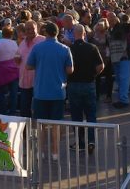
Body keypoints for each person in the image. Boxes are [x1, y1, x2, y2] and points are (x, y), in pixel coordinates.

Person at [26, 22, 74, 162]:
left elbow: (28, 66)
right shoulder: (65, 49)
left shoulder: (37, 47)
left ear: (46, 32)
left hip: (41, 91)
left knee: (40, 124)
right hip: (58, 91)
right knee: (55, 124)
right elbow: (70, 70)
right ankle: (55, 152)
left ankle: (41, 151)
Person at [68, 23, 104, 153]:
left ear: (73, 34)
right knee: (91, 114)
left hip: (73, 84)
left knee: (76, 116)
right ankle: (91, 141)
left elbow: (66, 68)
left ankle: (80, 142)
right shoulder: (92, 47)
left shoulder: (69, 49)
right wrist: (93, 74)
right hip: (89, 84)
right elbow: (101, 66)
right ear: (84, 33)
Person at [16, 21, 46, 116]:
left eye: (32, 28)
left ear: (37, 28)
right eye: (28, 29)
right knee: (24, 109)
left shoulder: (43, 40)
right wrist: (17, 60)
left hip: (38, 80)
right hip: (25, 81)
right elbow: (18, 59)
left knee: (39, 109)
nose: (30, 31)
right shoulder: (22, 43)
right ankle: (26, 130)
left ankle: (39, 130)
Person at [109, 15, 130, 109]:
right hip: (116, 57)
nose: (110, 21)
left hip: (124, 57)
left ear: (115, 20)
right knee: (120, 79)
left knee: (123, 79)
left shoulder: (121, 27)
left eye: (111, 19)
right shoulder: (111, 30)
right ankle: (121, 99)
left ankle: (124, 100)